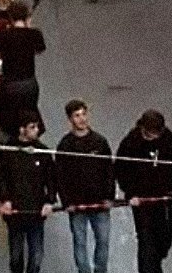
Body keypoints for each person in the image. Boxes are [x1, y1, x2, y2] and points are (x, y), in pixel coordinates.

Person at [116, 109, 172, 273]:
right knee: (146, 240)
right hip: (142, 199)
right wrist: (130, 193)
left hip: (164, 196)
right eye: (152, 134)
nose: (156, 137)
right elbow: (120, 170)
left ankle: (156, 262)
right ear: (143, 128)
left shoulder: (167, 137)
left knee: (165, 237)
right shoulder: (130, 142)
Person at [0, 109, 59, 273]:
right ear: (22, 129)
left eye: (37, 126)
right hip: (15, 212)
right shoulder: (8, 151)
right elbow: (0, 178)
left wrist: (49, 201)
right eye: (32, 127)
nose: (36, 130)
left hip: (36, 212)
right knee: (16, 256)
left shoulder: (42, 152)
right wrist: (5, 200)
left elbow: (51, 179)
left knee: (36, 256)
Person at [57, 100, 116, 273]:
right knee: (80, 242)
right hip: (77, 205)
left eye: (84, 114)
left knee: (103, 241)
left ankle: (100, 270)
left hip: (100, 203)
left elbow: (109, 171)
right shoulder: (65, 145)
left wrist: (109, 197)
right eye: (77, 115)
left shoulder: (100, 142)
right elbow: (60, 176)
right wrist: (67, 201)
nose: (82, 119)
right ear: (70, 119)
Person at [0, 1, 47, 134]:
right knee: (29, 114)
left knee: (9, 118)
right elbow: (39, 50)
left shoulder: (4, 35)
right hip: (29, 82)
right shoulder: (35, 34)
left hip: (10, 83)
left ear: (10, 17)